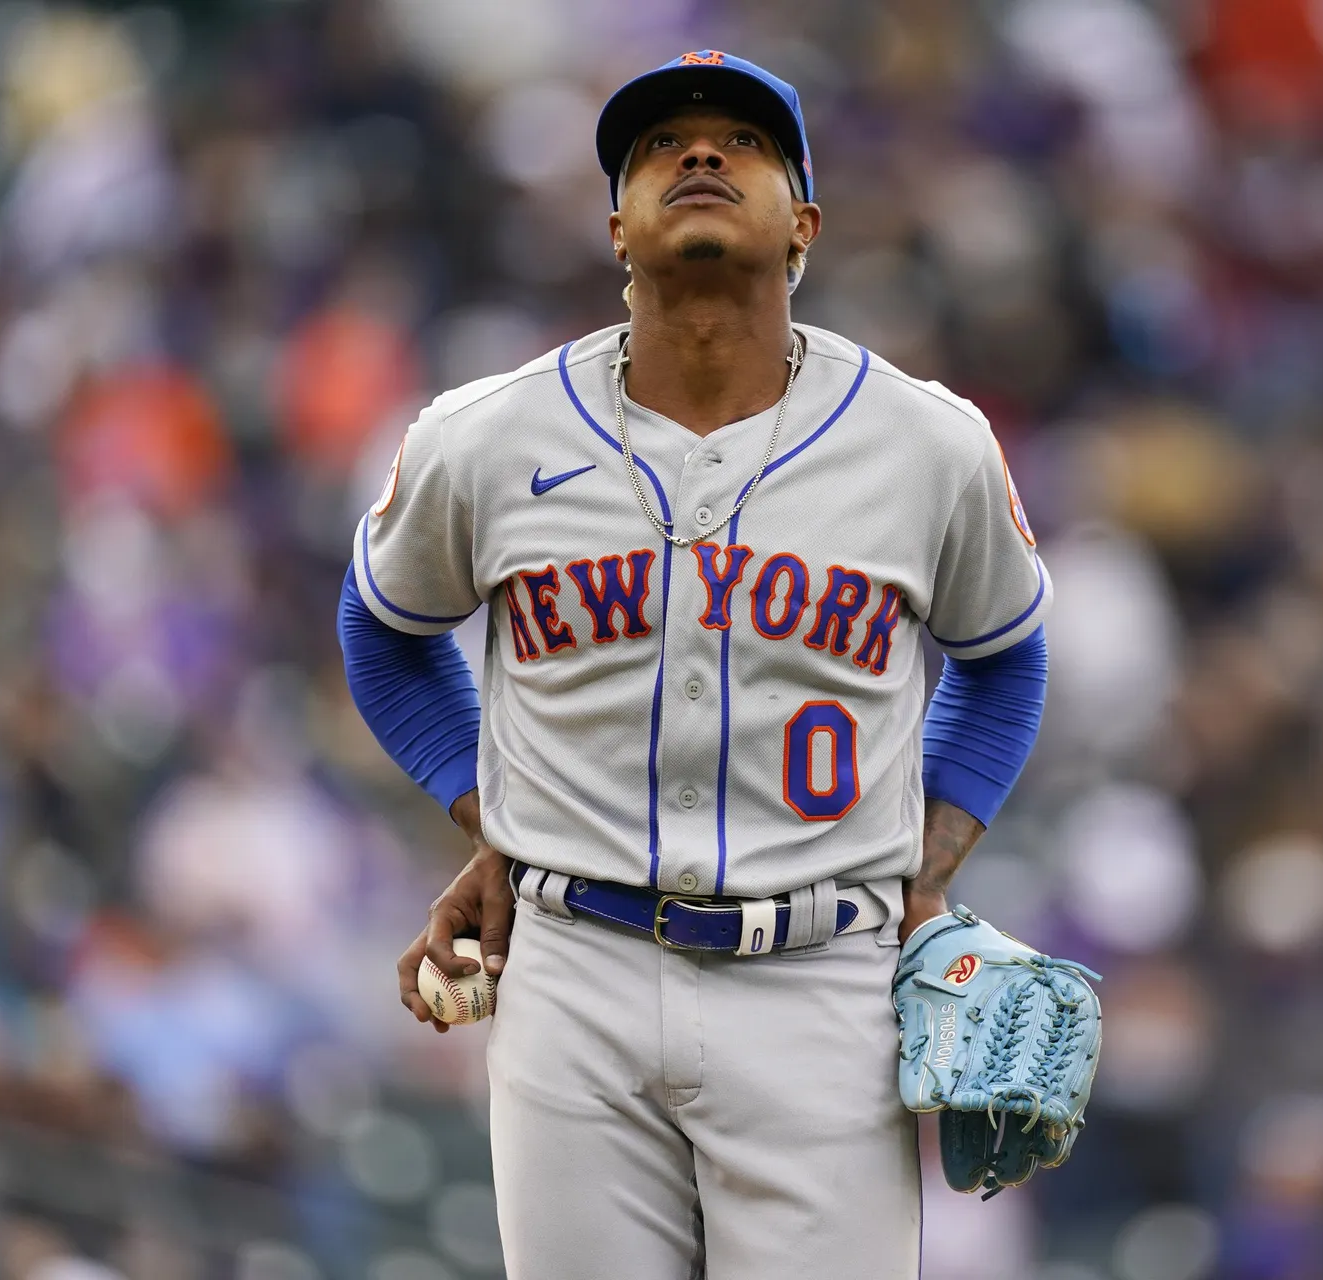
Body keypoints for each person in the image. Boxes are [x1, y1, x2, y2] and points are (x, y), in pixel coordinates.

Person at [338, 51, 1050, 1278]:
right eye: (663, 147)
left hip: (822, 977)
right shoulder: (485, 437)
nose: (703, 154)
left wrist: (927, 867)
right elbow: (382, 630)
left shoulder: (928, 444)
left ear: (804, 225)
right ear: (617, 224)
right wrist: (491, 817)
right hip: (574, 969)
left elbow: (1006, 660)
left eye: (744, 143)